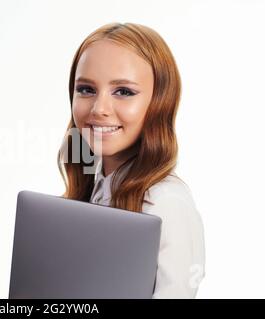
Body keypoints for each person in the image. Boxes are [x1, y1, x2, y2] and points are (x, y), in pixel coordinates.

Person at [57, 22, 206, 298]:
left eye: (124, 92)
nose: (99, 109)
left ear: (160, 102)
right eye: (86, 89)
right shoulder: (92, 186)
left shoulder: (165, 203)